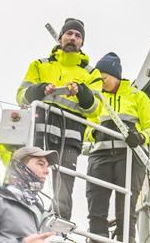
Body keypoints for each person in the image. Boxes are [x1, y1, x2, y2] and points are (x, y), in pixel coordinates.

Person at [16, 18, 102, 220]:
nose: (73, 37)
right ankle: (22, 220)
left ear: (82, 42)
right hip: (40, 131)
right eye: (69, 33)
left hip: (70, 138)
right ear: (61, 37)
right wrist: (39, 89)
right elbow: (20, 96)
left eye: (77, 35)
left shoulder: (92, 73)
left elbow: (95, 109)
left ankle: (60, 231)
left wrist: (81, 92)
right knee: (30, 180)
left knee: (64, 189)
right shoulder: (39, 65)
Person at [83, 52, 150, 243]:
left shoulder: (137, 96)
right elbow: (84, 128)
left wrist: (141, 136)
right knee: (96, 210)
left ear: (115, 75)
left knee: (125, 212)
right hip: (99, 156)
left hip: (128, 157)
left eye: (103, 76)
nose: (100, 81)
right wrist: (94, 133)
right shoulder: (96, 97)